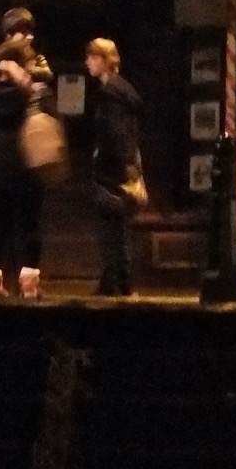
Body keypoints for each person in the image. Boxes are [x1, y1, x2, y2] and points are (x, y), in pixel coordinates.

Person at [0, 7, 53, 300]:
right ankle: (29, 282)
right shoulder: (35, 93)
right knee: (28, 223)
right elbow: (52, 117)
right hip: (27, 165)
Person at [85, 36, 144, 297]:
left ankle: (115, 280)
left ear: (102, 60)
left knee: (111, 227)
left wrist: (113, 160)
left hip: (111, 171)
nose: (87, 63)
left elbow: (117, 133)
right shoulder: (123, 90)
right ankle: (118, 279)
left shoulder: (110, 94)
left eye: (91, 57)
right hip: (121, 168)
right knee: (117, 227)